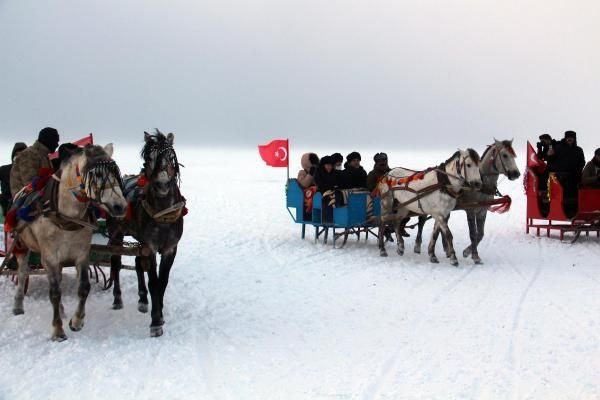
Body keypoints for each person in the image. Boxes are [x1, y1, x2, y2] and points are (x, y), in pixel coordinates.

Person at [10, 127, 59, 195]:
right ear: (48, 140)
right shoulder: (29, 155)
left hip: (40, 197)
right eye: (56, 141)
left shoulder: (43, 155)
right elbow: (30, 185)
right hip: (25, 201)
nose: (57, 145)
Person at [546, 130, 585, 199]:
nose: (569, 139)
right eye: (568, 137)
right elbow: (550, 161)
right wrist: (549, 155)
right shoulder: (557, 148)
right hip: (558, 175)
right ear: (565, 138)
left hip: (574, 175)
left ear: (574, 138)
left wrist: (578, 170)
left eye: (571, 137)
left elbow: (582, 162)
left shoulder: (578, 150)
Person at [0, 142, 27, 216]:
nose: (19, 156)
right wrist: (2, 198)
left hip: (25, 206)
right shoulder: (4, 169)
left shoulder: (30, 170)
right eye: (17, 154)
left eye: (22, 154)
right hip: (8, 206)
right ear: (13, 156)